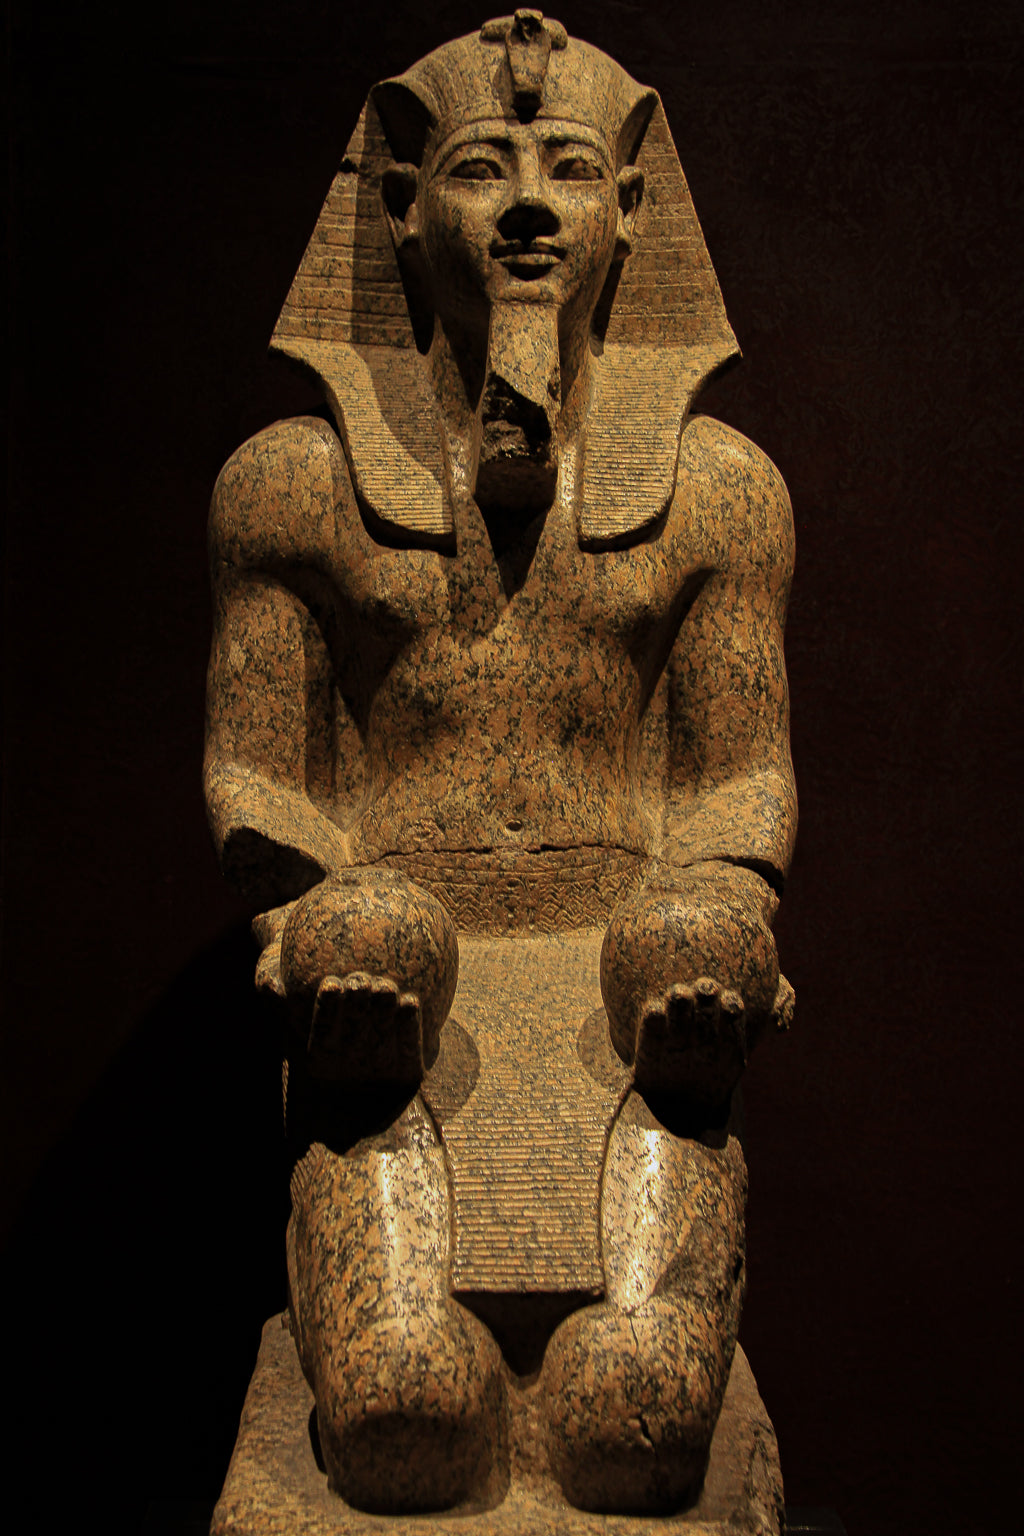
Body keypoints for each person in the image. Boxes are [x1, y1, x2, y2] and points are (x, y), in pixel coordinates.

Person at [205, 11, 795, 1518]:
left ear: (632, 210)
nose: (530, 208)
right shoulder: (293, 486)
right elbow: (266, 785)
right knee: (404, 1424)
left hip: (628, 992)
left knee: (635, 1429)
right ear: (404, 208)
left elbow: (737, 790)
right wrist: (310, 932)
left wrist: (724, 930)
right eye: (482, 169)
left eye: (569, 170)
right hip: (396, 1002)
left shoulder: (718, 491)